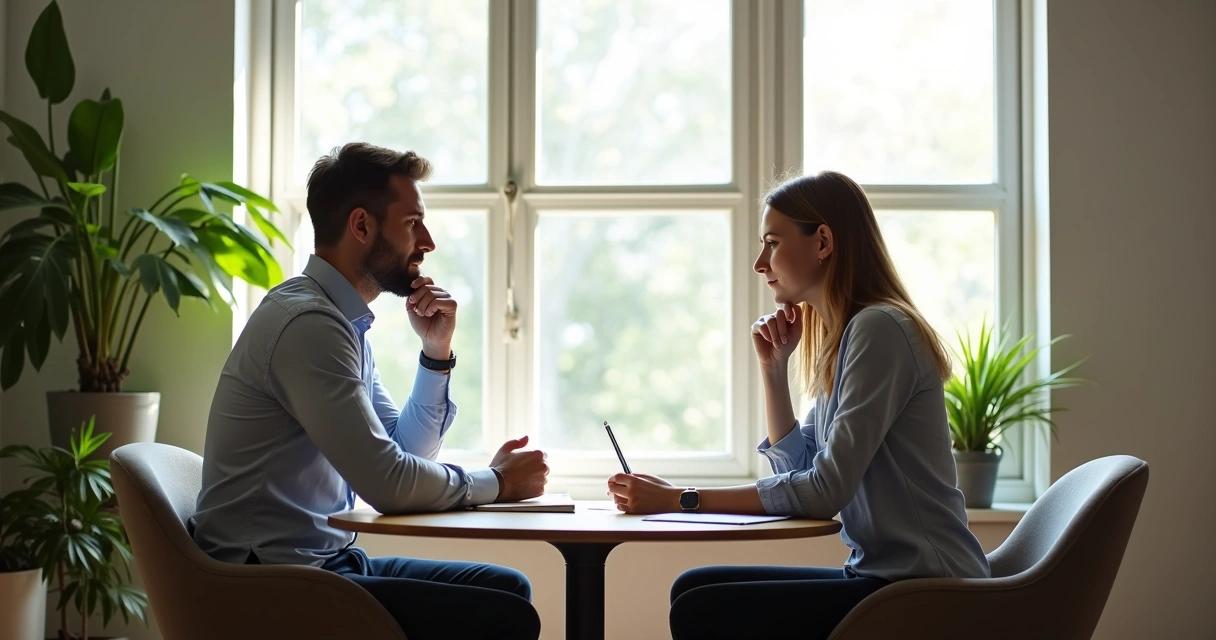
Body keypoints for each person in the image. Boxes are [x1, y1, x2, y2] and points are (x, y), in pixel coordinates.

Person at [605, 171, 991, 640]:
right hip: (879, 577)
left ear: (823, 241)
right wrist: (774, 373)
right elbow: (804, 468)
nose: (759, 263)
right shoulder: (847, 336)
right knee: (694, 588)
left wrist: (679, 499)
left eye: (772, 242)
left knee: (706, 607)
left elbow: (824, 491)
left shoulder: (880, 329)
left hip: (926, 591)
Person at [191, 142, 548, 640]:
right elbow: (388, 484)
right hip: (272, 584)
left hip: (327, 562)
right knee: (504, 616)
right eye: (412, 223)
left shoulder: (339, 321)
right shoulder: (309, 325)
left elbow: (403, 450)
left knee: (507, 588)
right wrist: (498, 483)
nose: (428, 241)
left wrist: (436, 353)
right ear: (361, 226)